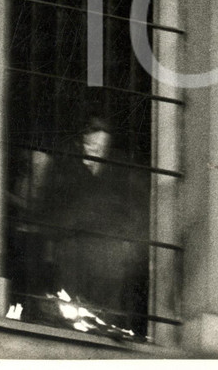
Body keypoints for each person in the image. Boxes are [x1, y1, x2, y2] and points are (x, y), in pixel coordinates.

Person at [44, 117, 147, 332]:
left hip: (109, 252)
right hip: (74, 249)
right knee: (70, 311)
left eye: (100, 146)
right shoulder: (67, 165)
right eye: (90, 145)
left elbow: (136, 210)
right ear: (82, 141)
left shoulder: (122, 169)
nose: (94, 150)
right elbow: (53, 205)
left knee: (105, 313)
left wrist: (128, 245)